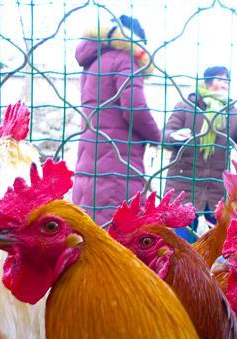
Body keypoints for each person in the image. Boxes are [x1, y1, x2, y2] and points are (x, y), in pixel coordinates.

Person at [72, 15, 163, 225]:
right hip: (117, 164)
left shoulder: (92, 62)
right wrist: (158, 136)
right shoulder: (124, 60)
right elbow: (135, 109)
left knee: (90, 234)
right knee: (119, 235)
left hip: (89, 163)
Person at [164, 66, 237, 216]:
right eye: (220, 79)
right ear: (207, 81)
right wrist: (174, 136)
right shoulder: (186, 106)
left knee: (218, 236)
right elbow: (166, 133)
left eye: (227, 81)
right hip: (183, 185)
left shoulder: (232, 112)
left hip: (216, 190)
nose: (225, 84)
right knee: (180, 235)